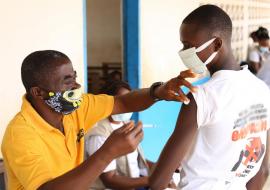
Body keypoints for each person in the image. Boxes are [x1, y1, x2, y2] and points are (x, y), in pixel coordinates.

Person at [1, 50, 197, 190]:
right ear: (38, 92)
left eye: (74, 77)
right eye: (67, 81)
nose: (76, 86)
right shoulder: (21, 135)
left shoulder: (76, 109)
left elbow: (123, 102)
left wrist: (157, 92)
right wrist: (108, 152)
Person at [149, 5, 270, 190]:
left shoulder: (201, 97)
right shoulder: (262, 90)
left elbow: (157, 181)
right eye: (183, 45)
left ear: (217, 44)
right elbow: (262, 170)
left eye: (189, 46)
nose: (184, 52)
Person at [85, 80, 154, 189]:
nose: (127, 105)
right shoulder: (98, 134)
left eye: (129, 100)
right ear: (109, 102)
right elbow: (110, 180)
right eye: (122, 100)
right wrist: (152, 180)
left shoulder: (127, 125)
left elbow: (135, 160)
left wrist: (159, 167)